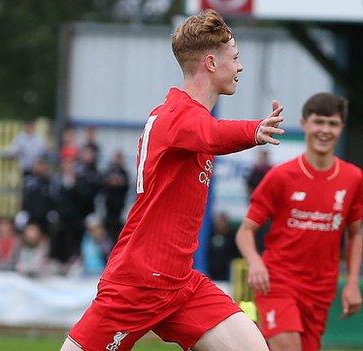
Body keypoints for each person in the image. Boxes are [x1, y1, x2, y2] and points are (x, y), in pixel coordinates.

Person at [61, 10, 284, 351]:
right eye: (235, 59)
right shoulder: (176, 115)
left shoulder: (186, 116)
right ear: (210, 63)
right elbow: (211, 135)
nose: (240, 67)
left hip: (181, 283)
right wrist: (253, 130)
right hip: (139, 281)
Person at [236, 92, 362, 351]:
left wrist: (351, 283)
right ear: (305, 123)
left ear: (341, 128)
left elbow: (355, 233)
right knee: (288, 345)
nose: (324, 130)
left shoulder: (353, 178)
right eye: (319, 122)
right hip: (278, 280)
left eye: (332, 123)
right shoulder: (281, 176)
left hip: (321, 287)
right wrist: (256, 262)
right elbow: (245, 231)